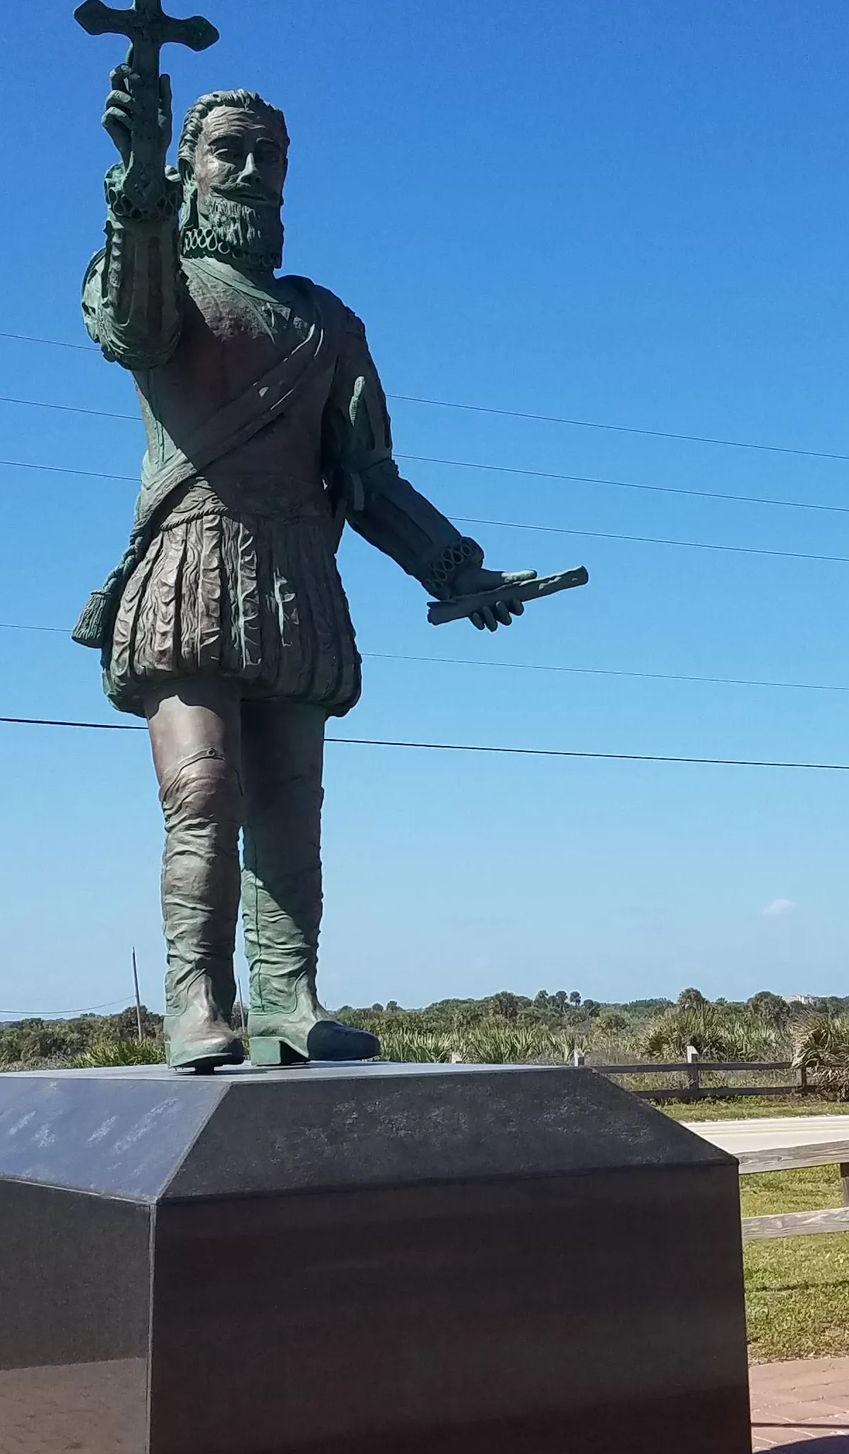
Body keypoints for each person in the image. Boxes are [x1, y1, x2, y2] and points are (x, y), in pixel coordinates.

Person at [76, 69, 522, 1070]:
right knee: (204, 786)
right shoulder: (162, 278)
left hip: (295, 582)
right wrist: (134, 185)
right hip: (188, 569)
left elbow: (365, 476)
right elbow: (135, 326)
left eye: (264, 154)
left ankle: (290, 1000)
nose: (245, 168)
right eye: (225, 150)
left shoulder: (327, 323)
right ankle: (197, 1002)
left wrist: (453, 568)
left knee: (290, 804)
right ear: (191, 168)